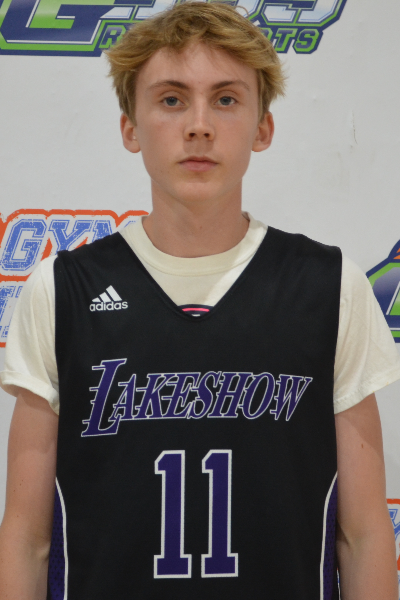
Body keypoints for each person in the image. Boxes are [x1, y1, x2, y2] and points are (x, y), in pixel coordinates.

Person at [0, 2, 399, 599]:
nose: (199, 126)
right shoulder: (63, 290)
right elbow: (28, 539)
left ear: (263, 127)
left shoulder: (328, 285)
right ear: (130, 127)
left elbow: (362, 534)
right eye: (171, 99)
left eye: (227, 99)